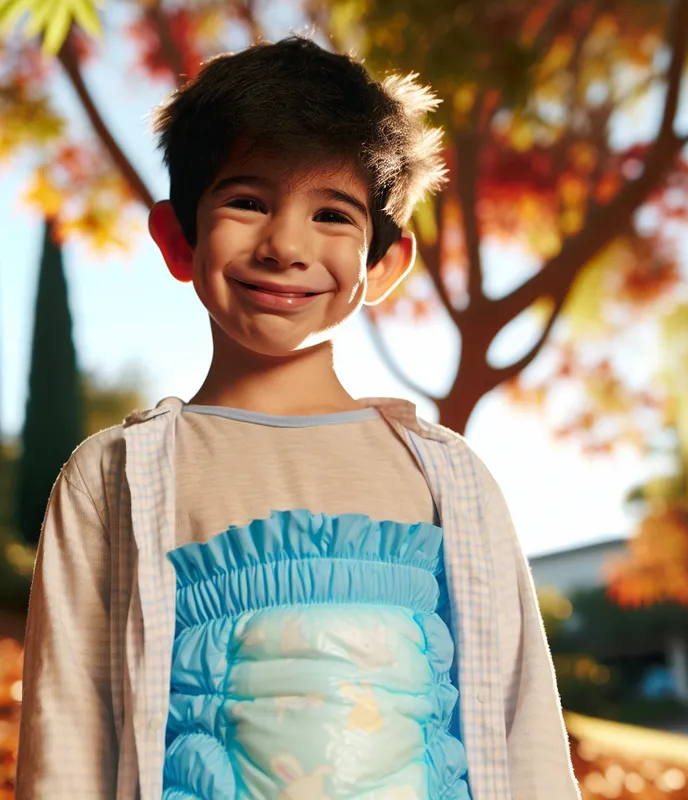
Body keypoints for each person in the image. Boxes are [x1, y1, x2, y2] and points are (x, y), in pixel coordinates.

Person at [16, 37, 579, 800]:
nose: (286, 245)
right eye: (247, 202)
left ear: (383, 264)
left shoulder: (449, 478)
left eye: (333, 214)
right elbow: (68, 735)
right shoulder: (111, 478)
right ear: (178, 239)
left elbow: (524, 729)